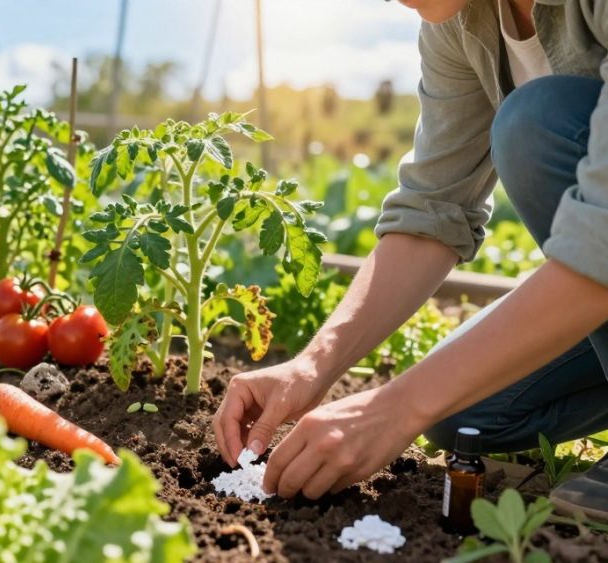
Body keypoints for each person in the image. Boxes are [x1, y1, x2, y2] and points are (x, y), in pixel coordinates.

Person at [212, 0, 608, 521]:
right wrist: (314, 365)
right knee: (463, 410)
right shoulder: (461, 23)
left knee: (535, 126)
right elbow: (432, 212)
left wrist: (394, 408)